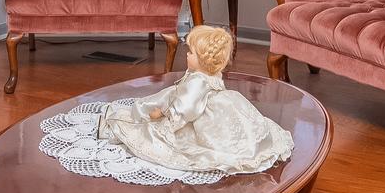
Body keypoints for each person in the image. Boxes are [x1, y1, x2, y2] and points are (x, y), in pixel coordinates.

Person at [98, 25, 293, 175]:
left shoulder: (197, 81)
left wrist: (165, 115)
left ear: (202, 59)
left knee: (150, 129)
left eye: (190, 52)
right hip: (220, 107)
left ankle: (116, 125)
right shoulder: (210, 74)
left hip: (197, 115)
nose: (187, 56)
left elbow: (187, 107)